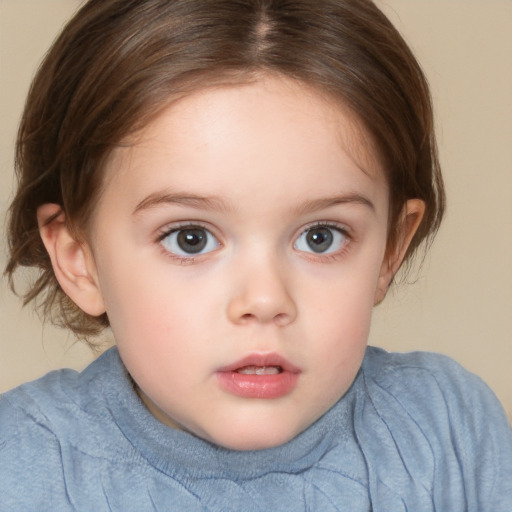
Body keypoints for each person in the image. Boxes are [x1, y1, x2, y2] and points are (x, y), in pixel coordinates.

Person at [1, 0, 511, 509]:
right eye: (190, 239)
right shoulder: (23, 465)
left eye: (321, 237)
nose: (265, 300)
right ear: (78, 257)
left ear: (390, 248)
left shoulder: (448, 434)